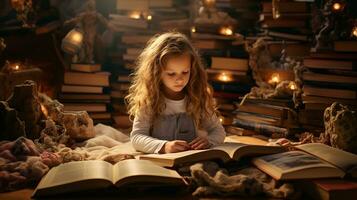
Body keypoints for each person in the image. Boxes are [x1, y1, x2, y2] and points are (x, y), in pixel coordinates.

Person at [126, 32, 226, 154]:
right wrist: (164, 146)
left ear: (193, 70)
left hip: (191, 158)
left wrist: (209, 141)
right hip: (162, 160)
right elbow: (137, 137)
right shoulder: (150, 100)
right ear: (157, 73)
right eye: (171, 74)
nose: (179, 79)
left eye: (185, 72)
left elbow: (218, 130)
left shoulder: (197, 97)